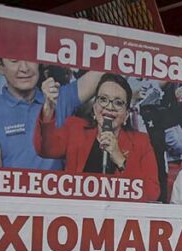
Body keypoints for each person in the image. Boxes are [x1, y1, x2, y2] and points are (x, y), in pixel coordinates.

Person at [33, 73, 160, 201]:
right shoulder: (75, 129)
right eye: (103, 99)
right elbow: (45, 148)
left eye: (118, 103)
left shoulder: (141, 142)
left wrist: (120, 160)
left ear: (126, 115)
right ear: (94, 108)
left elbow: (152, 193)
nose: (109, 107)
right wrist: (48, 109)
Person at [0, 59, 99, 170]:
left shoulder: (59, 98)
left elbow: (102, 73)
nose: (24, 68)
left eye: (30, 58)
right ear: (0, 67)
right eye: (14, 61)